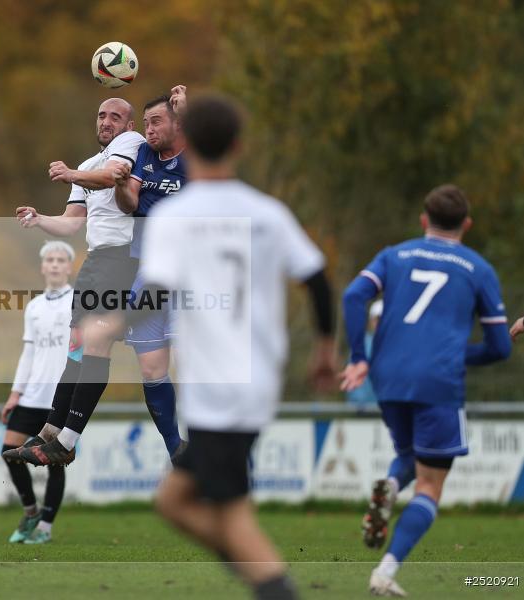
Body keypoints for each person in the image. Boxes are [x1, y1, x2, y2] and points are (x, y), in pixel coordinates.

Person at [145, 94, 337, 600]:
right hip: (254, 380)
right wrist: (324, 350)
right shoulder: (267, 212)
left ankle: (270, 582)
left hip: (219, 388)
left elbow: (154, 292)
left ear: (186, 146)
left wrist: (106, 324)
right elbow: (318, 280)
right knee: (173, 500)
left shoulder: (174, 216)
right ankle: (261, 574)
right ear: (238, 146)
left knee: (231, 515)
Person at [341, 184, 511, 597]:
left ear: (423, 220)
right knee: (431, 485)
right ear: (466, 224)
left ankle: (390, 486)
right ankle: (385, 572)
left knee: (408, 455)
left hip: (388, 376)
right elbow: (500, 348)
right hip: (437, 381)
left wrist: (359, 357)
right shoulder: (478, 268)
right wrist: (455, 356)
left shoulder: (393, 255)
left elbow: (353, 295)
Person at [4, 97, 145, 466]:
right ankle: (51, 432)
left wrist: (69, 174)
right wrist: (39, 219)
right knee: (76, 347)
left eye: (116, 117)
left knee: (96, 344)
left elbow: (112, 176)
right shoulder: (85, 166)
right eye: (101, 115)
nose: (106, 122)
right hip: (96, 261)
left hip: (123, 258)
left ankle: (68, 439)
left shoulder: (131, 144)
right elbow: (71, 223)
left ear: (129, 125)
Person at [110, 89, 189, 458]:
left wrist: (186, 112)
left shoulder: (195, 156)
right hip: (147, 272)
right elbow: (130, 204)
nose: (149, 129)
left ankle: (210, 446)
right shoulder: (144, 153)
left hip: (187, 275)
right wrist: (120, 184)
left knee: (191, 363)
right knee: (152, 369)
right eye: (145, 124)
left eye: (156, 121)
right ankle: (176, 449)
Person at [0, 241, 76, 544]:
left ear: (69, 266)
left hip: (62, 398)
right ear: (43, 266)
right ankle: (30, 511)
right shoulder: (33, 306)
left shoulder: (79, 301)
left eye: (61, 259)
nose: (55, 264)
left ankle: (45, 527)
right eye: (50, 259)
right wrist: (15, 393)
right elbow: (28, 354)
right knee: (9, 451)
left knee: (54, 461)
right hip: (32, 395)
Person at [345, 299, 382, 410]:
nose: (381, 323)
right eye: (377, 319)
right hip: (363, 411)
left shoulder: (398, 345)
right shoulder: (361, 345)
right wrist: (359, 404)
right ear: (371, 320)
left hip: (391, 410)